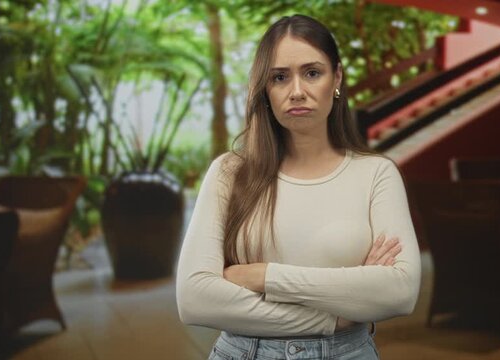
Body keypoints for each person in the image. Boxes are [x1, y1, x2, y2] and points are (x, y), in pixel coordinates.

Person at [176, 14, 421, 360]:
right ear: (265, 89)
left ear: (336, 78)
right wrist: (338, 314)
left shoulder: (376, 174)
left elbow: (400, 292)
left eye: (312, 73)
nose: (296, 92)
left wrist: (264, 277)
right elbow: (194, 299)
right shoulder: (229, 173)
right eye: (279, 77)